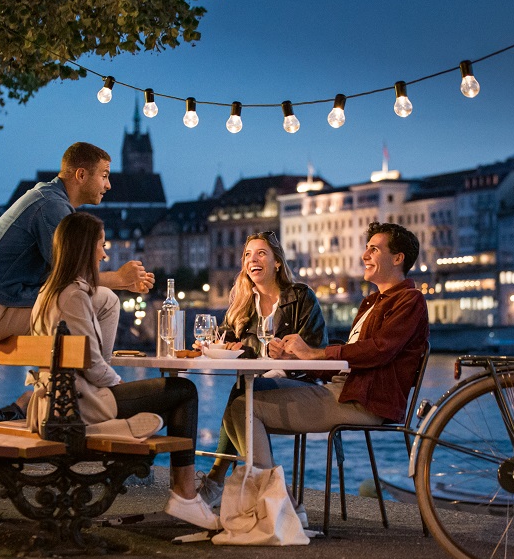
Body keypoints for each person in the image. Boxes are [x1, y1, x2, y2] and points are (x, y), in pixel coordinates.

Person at [219, 222, 430, 519]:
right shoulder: (373, 301)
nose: (365, 255)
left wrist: (314, 352)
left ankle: (280, 507)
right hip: (343, 390)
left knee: (243, 408)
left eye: (374, 249)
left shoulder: (409, 300)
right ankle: (272, 503)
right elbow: (351, 358)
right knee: (242, 399)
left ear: (398, 258)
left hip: (361, 401)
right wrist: (298, 361)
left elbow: (379, 350)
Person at [27, 212, 219, 530]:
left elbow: (90, 356)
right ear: (85, 248)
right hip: (76, 405)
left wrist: (109, 300)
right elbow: (92, 364)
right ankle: (185, 496)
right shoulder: (73, 296)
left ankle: (134, 431)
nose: (105, 254)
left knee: (166, 395)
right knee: (184, 391)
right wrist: (116, 384)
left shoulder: (49, 293)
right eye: (101, 246)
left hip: (54, 399)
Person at [0, 142, 154, 343]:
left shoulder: (49, 198)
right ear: (81, 175)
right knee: (106, 301)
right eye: (104, 176)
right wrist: (120, 279)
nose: (108, 185)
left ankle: (68, 372)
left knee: (84, 304)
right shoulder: (52, 206)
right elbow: (72, 276)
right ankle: (97, 373)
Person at [198, 231, 328, 506]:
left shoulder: (301, 297)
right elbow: (222, 339)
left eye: (261, 253)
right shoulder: (243, 303)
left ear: (277, 262)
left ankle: (221, 481)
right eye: (247, 254)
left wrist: (290, 354)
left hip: (298, 385)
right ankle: (261, 488)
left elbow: (317, 348)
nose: (252, 260)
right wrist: (215, 346)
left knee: (241, 395)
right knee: (243, 392)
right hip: (256, 386)